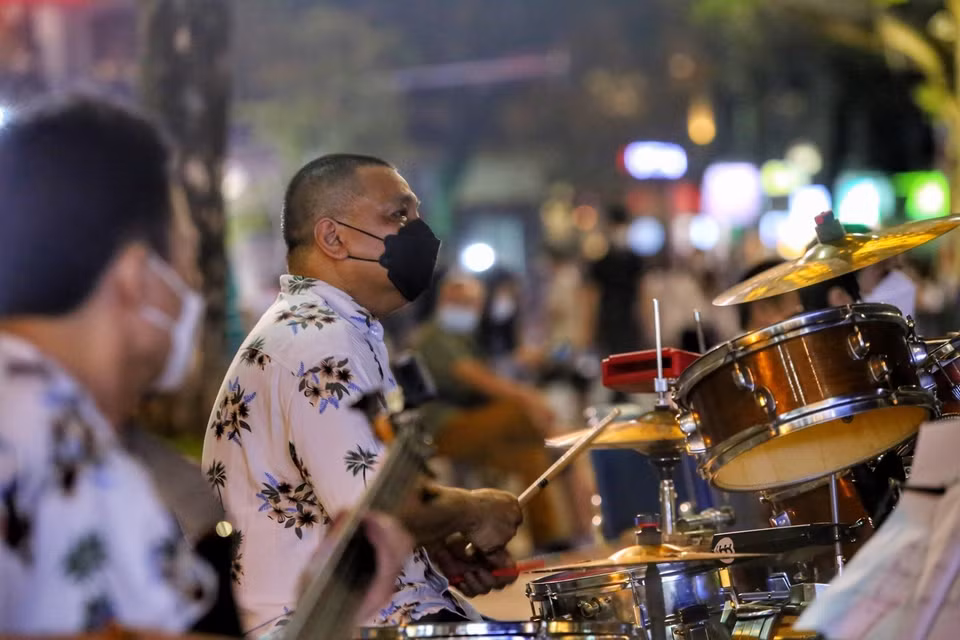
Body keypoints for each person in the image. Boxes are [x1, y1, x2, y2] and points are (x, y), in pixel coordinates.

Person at [0, 98, 410, 637]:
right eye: (189, 263)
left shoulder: (54, 422)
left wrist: (325, 606)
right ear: (136, 280)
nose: (193, 294)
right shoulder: (47, 439)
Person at [202, 154, 523, 634]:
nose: (419, 232)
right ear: (333, 237)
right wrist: (480, 510)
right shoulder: (318, 338)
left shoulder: (329, 327)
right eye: (398, 215)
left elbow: (354, 510)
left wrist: (432, 546)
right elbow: (376, 515)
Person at [412, 273, 571, 551]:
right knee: (517, 410)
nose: (466, 308)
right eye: (459, 301)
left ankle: (548, 540)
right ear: (443, 299)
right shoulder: (435, 335)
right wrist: (529, 398)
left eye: (472, 303)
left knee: (529, 455)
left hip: (475, 427)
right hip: (443, 428)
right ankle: (558, 439)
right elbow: (473, 377)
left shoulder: (465, 339)